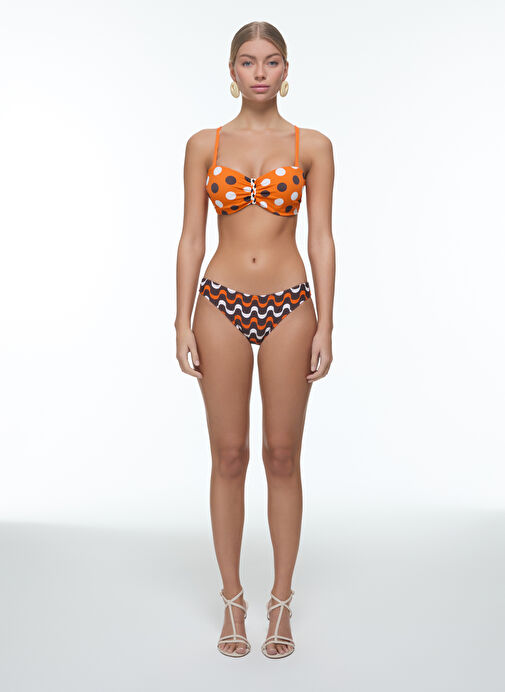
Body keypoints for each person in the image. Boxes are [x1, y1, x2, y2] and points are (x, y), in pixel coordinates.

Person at [174, 20, 335, 659]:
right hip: (219, 303)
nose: (260, 72)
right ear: (232, 71)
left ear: (286, 70)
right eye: (248, 61)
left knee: (283, 455)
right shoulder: (204, 144)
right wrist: (180, 320)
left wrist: (327, 323)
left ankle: (282, 601)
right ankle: (233, 600)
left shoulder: (313, 145)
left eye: (271, 61)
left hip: (291, 304)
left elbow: (321, 237)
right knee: (230, 454)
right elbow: (191, 236)